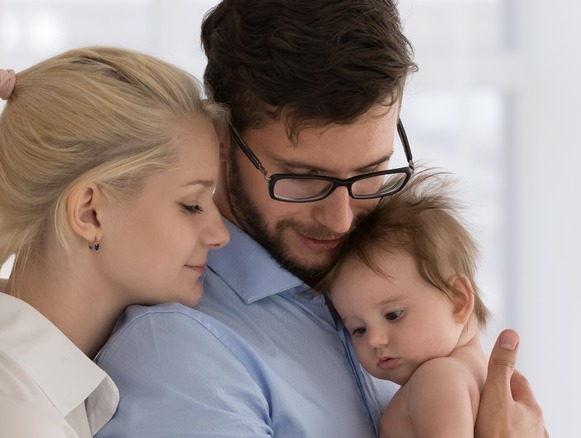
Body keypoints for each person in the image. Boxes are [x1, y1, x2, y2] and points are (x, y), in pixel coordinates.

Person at [95, 1, 547, 436]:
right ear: (220, 140)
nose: (341, 219)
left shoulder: (395, 289)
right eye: (304, 178)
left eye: (370, 172)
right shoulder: (178, 351)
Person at [0, 45, 230, 437]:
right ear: (89, 213)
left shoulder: (41, 393)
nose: (220, 234)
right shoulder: (10, 422)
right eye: (191, 204)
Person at [322, 170, 491, 437]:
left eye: (393, 315)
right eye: (358, 329)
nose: (375, 340)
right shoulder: (486, 378)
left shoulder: (437, 378)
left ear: (458, 300)